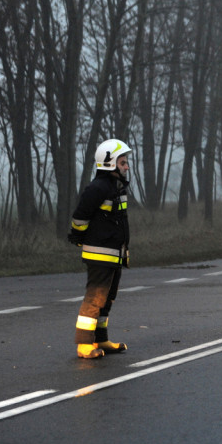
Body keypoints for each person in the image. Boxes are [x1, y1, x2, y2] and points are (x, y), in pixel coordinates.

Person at [67, 139, 133, 359]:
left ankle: (100, 339)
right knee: (95, 298)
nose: (126, 167)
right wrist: (78, 236)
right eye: (123, 162)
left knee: (108, 298)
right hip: (100, 254)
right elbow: (79, 217)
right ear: (110, 163)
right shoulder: (98, 188)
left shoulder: (116, 187)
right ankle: (84, 344)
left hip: (115, 254)